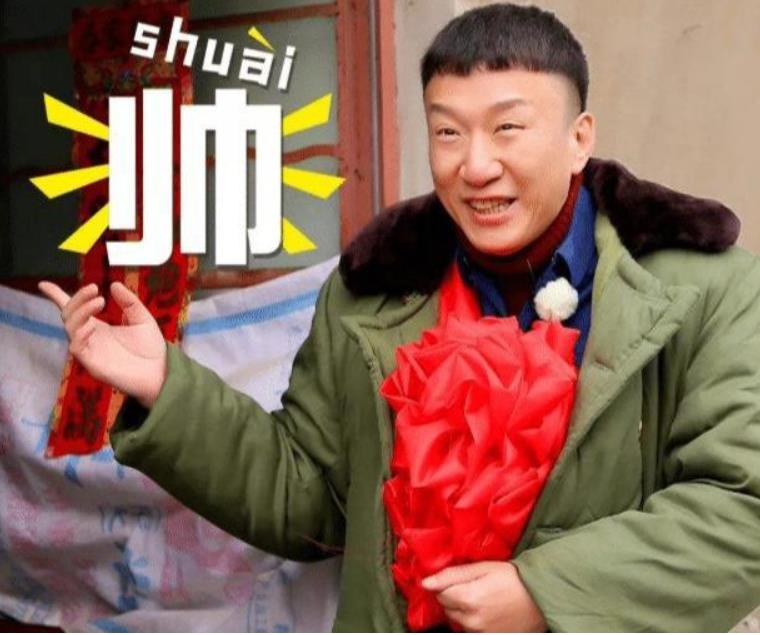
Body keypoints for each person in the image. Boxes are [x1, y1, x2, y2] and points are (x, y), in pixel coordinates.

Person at [39, 3, 760, 632]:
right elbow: (312, 499)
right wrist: (168, 388)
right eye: (448, 133)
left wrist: (544, 593)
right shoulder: (375, 290)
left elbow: (742, 510)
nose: (476, 166)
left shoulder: (706, 289)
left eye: (508, 128)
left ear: (579, 137)